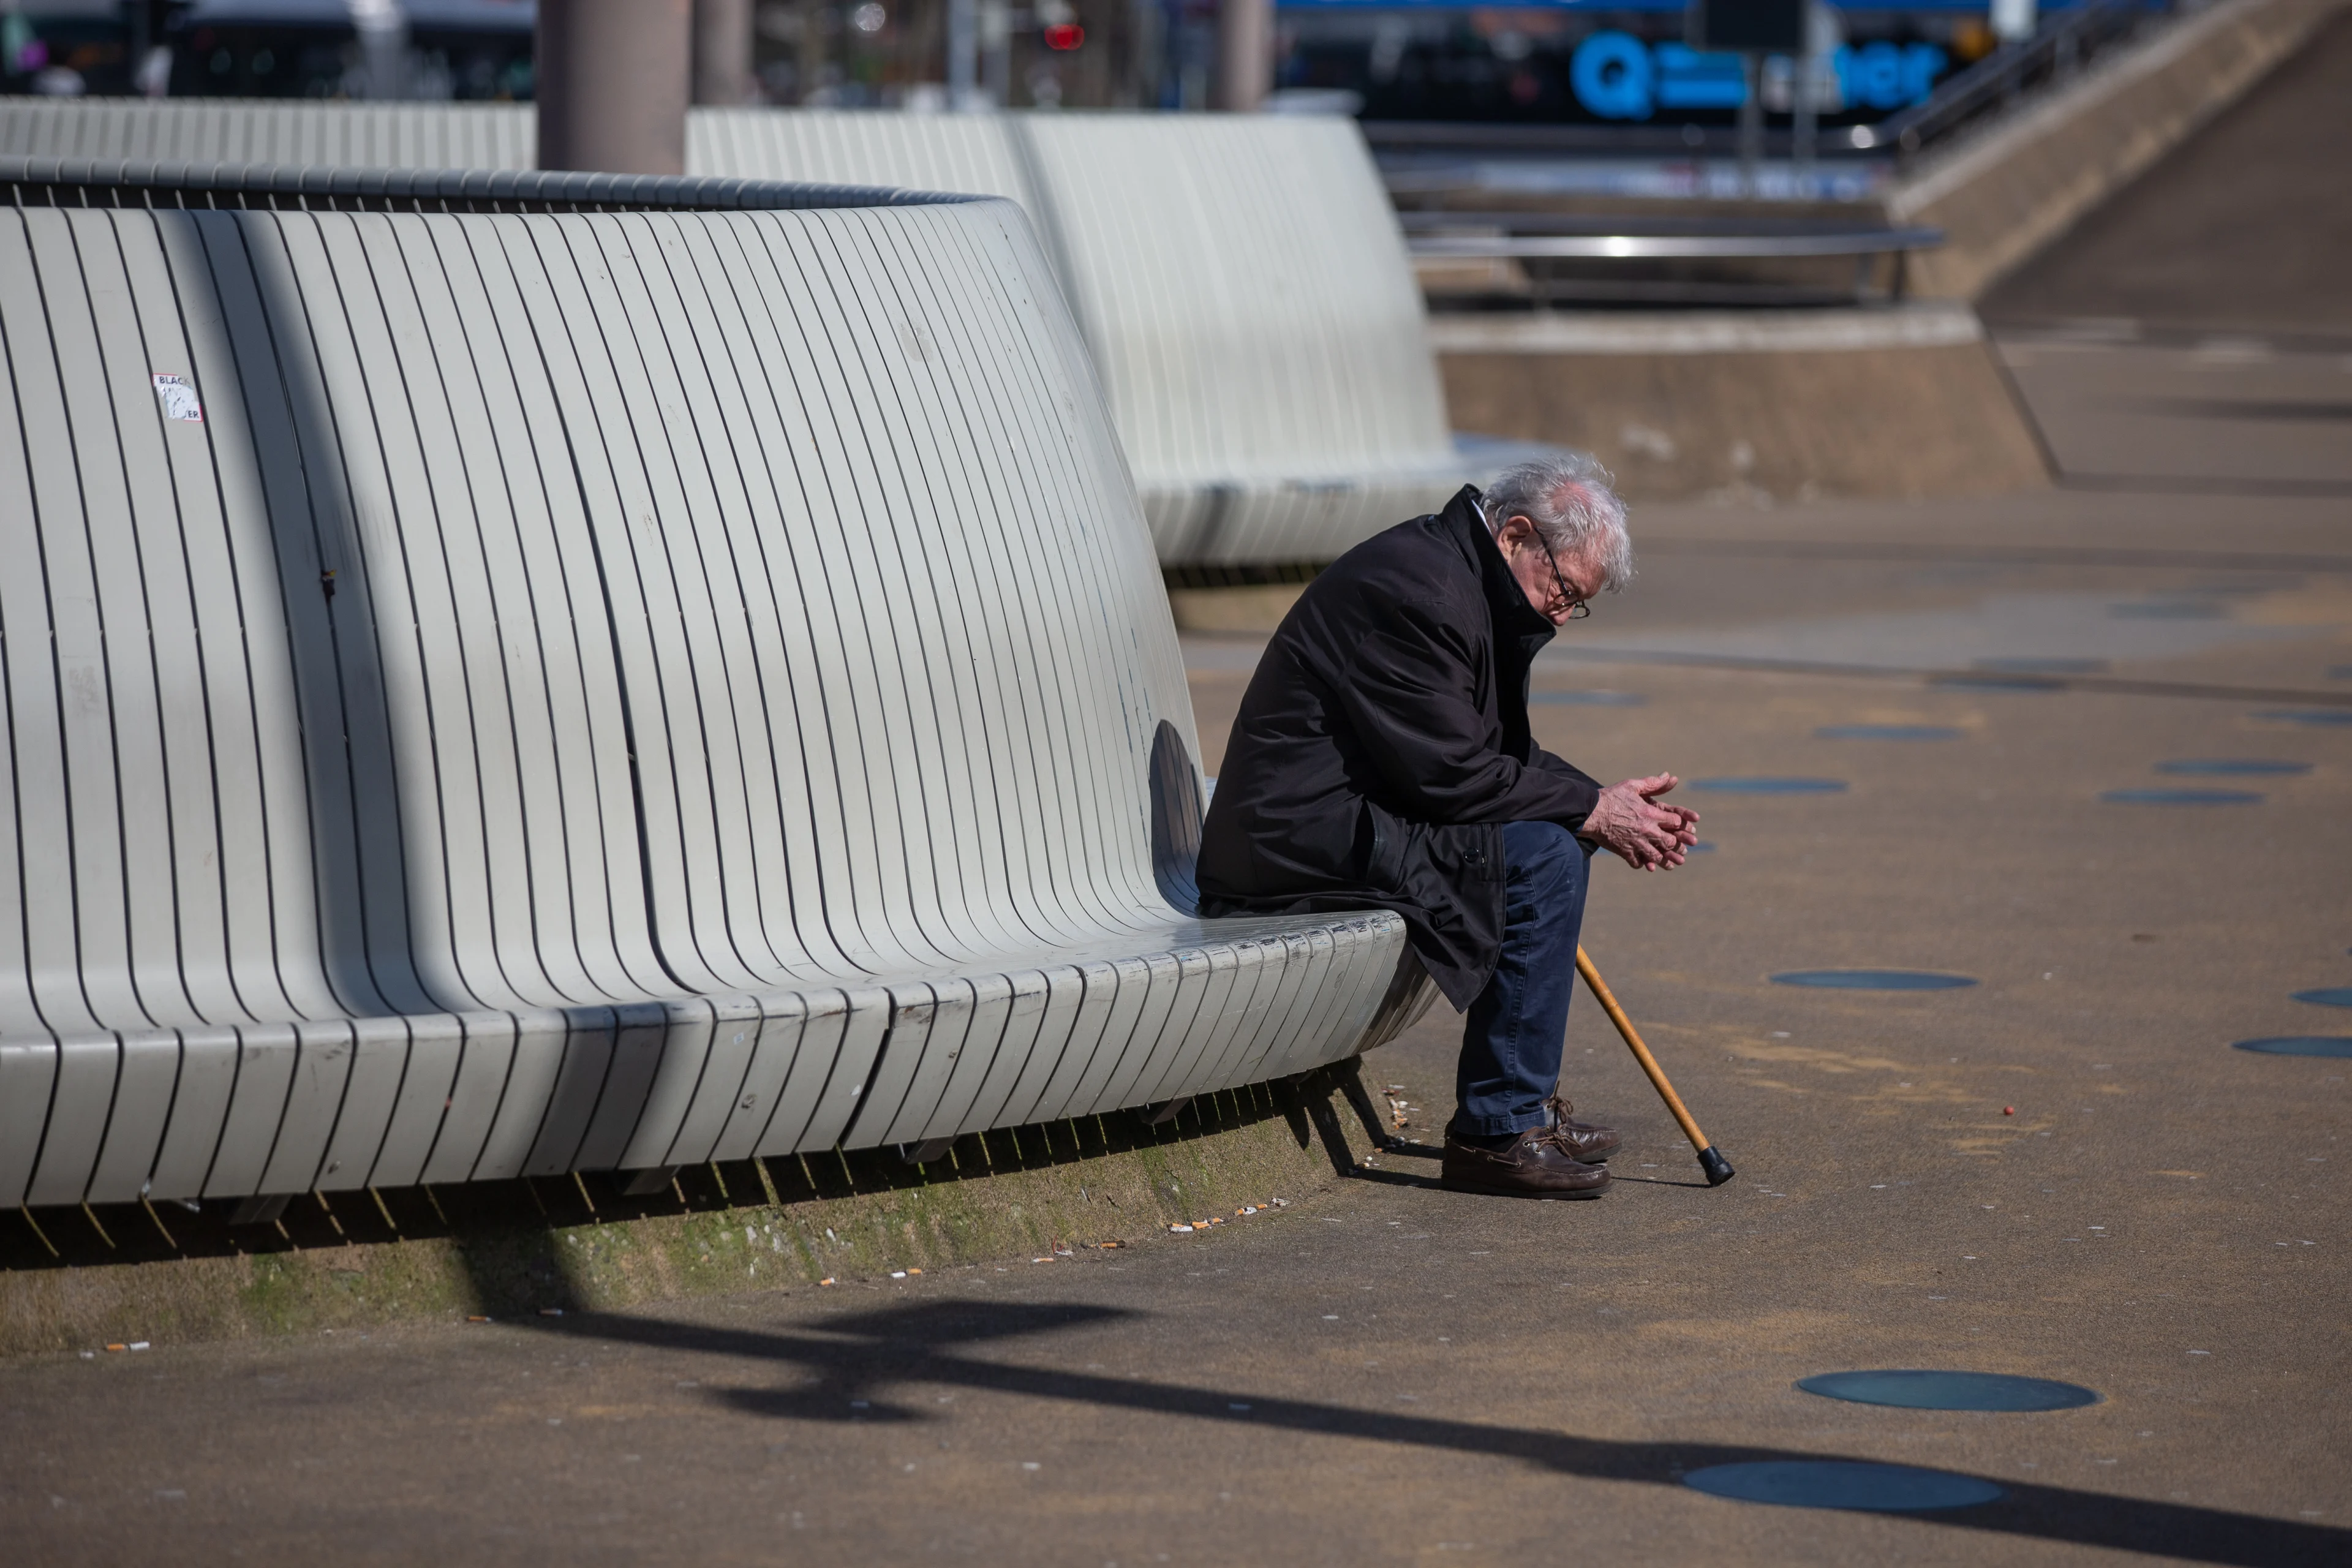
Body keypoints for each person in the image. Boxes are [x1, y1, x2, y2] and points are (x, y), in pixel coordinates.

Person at [1195, 456, 1698, 1198]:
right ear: (1518, 535)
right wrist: (1591, 809)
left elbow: (1493, 755)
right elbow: (1451, 776)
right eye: (1563, 591)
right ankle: (1496, 1131)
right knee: (1544, 855)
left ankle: (1520, 1105)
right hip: (1296, 834)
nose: (1560, 617)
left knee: (1558, 836)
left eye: (1576, 605)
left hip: (1354, 812)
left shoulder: (1467, 582)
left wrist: (1602, 799)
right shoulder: (1418, 589)